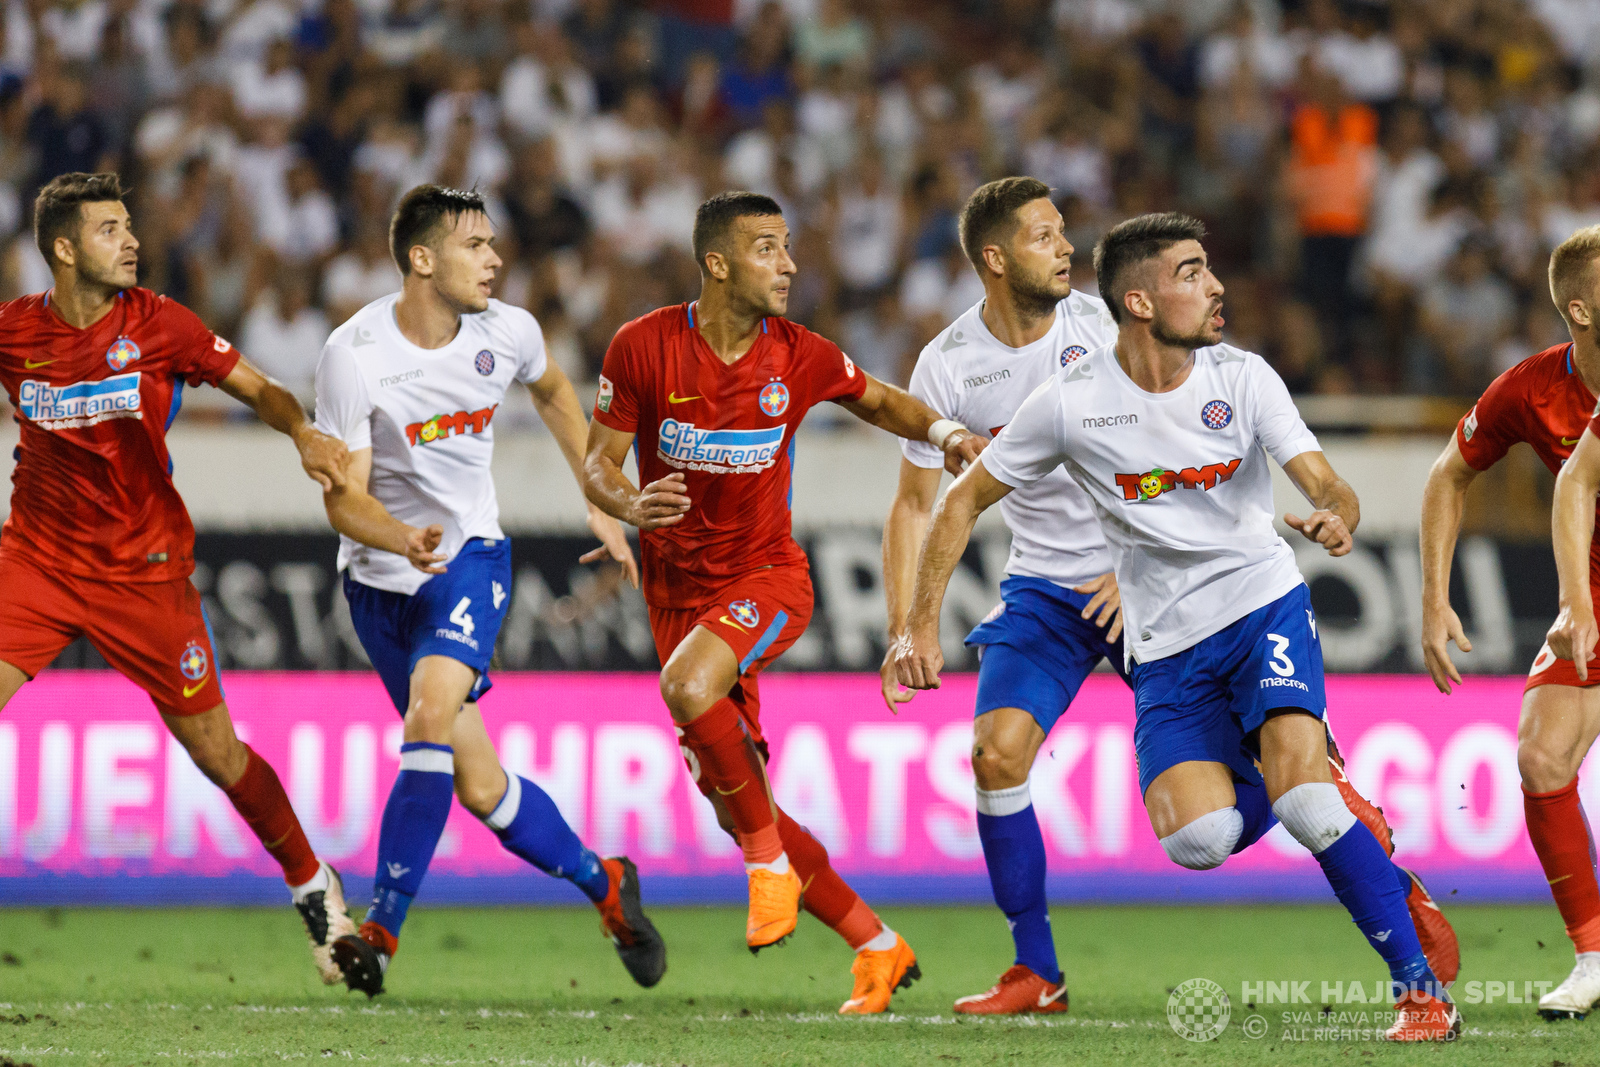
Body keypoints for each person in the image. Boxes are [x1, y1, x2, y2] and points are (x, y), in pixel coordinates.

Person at [883, 178, 1447, 1015]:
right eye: (1045, 235)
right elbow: (926, 500)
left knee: (1301, 795)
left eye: (1067, 231)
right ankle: (1036, 971)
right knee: (1072, 785)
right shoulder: (955, 366)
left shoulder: (1124, 331)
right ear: (995, 259)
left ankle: (1405, 959)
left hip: (1170, 588)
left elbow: (1318, 478)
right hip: (1051, 584)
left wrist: (1324, 512)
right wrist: (911, 625)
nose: (1066, 246)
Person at [581, 191, 983, 1014]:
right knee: (741, 800)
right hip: (675, 596)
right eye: (768, 248)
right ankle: (877, 942)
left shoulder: (797, 354)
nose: (790, 263)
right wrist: (627, 503)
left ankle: (767, 868)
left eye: (789, 246)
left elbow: (878, 399)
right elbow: (597, 463)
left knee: (690, 692)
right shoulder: (643, 346)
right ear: (718, 263)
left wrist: (945, 436)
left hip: (766, 578)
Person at [0, 171, 356, 984]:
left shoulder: (160, 324)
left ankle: (314, 887)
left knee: (216, 751)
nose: (131, 242)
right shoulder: (15, 331)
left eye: (130, 226)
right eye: (109, 230)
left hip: (144, 572)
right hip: (39, 563)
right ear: (62, 248)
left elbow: (262, 388)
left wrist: (301, 432)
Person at [311, 184, 665, 997]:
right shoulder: (354, 353)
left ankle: (381, 929)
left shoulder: (509, 331)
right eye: (476, 245)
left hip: (470, 560)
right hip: (381, 578)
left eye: (494, 243)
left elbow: (553, 391)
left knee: (428, 716)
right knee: (478, 785)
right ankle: (605, 882)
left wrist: (598, 493)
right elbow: (342, 495)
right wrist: (398, 537)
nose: (496, 258)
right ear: (422, 259)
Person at [1468, 224, 1600, 1020]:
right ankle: (1592, 956)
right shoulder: (1535, 387)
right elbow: (1574, 485)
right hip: (1596, 593)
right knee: (1541, 753)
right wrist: (1576, 605)